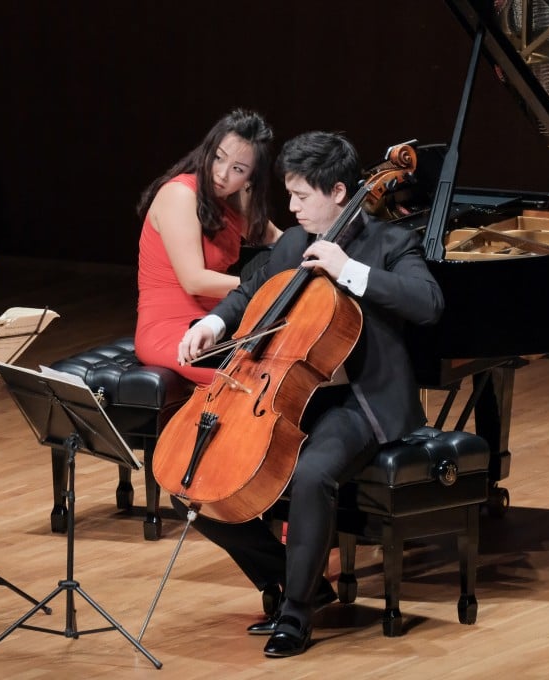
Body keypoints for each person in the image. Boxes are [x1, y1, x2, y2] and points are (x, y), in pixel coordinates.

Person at [175, 131, 445, 657]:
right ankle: (291, 581)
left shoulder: (392, 245)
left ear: (339, 192)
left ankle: (296, 617)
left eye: (302, 195)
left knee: (312, 473)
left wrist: (350, 272)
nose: (292, 207)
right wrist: (211, 323)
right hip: (288, 394)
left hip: (359, 401)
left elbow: (428, 303)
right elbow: (252, 294)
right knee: (194, 480)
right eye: (291, 194)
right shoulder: (293, 245)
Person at [135, 109, 282, 385]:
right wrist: (266, 287)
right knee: (253, 377)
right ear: (208, 150)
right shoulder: (180, 194)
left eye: (238, 169)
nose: (222, 174)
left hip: (216, 322)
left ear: (250, 178)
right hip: (169, 329)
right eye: (218, 158)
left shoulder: (231, 202)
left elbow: (282, 241)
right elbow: (194, 281)